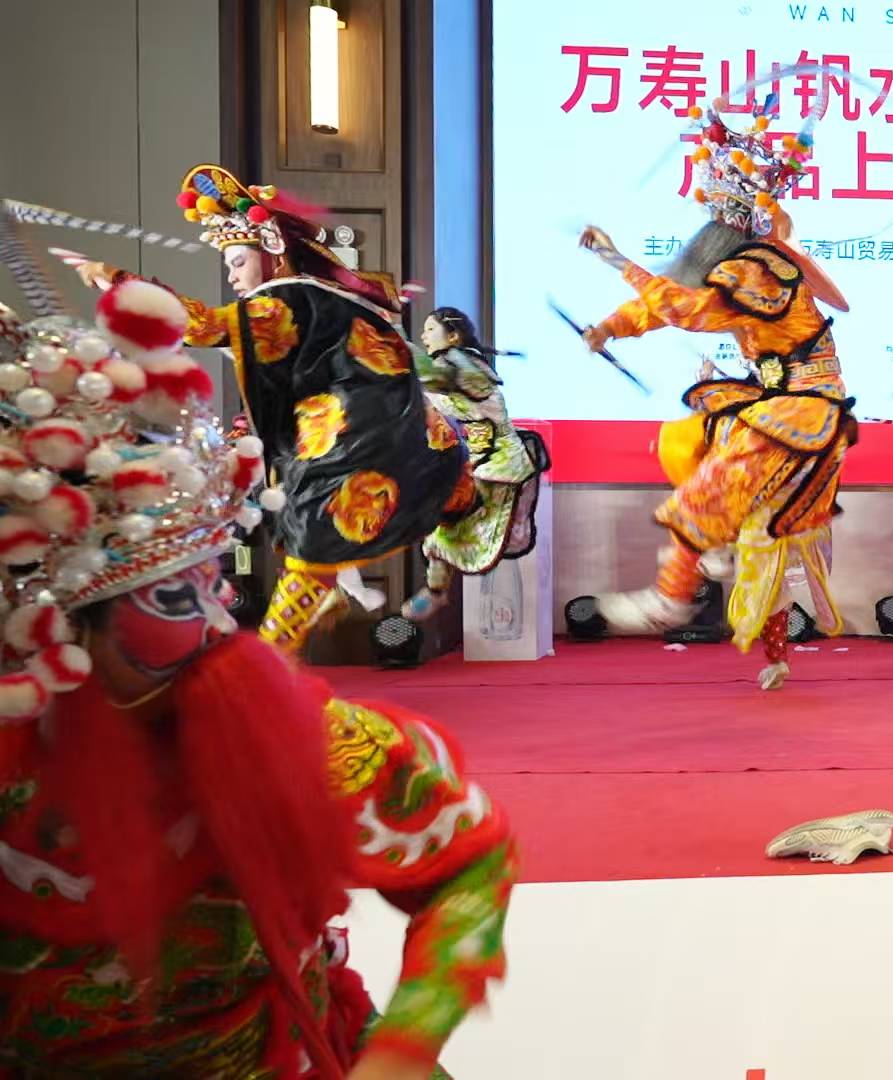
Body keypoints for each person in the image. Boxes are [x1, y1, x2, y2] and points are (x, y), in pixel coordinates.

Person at [0, 286, 513, 1079]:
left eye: (211, 584)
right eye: (173, 600)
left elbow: (467, 859)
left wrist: (405, 1049)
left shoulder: (284, 729)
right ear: (54, 634)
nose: (216, 626)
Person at [72, 163, 474, 656]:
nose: (233, 276)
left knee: (311, 543)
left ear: (273, 251)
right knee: (308, 535)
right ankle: (310, 616)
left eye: (239, 262)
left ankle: (271, 661)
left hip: (351, 443)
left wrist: (119, 282)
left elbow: (201, 326)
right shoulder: (325, 299)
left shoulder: (284, 298)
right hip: (368, 433)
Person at [577, 100, 855, 691]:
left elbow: (687, 310)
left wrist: (616, 259)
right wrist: (609, 328)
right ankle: (757, 622)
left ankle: (673, 595)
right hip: (772, 398)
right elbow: (669, 303)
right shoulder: (736, 265)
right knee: (689, 446)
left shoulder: (763, 268)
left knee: (724, 480)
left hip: (806, 404)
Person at [403, 307, 549, 620]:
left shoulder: (465, 364)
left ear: (453, 336)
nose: (424, 336)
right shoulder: (449, 363)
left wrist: (397, 339)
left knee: (479, 534)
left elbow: (432, 377)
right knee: (441, 527)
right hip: (476, 463)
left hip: (501, 466)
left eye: (430, 329)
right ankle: (436, 591)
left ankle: (454, 597)